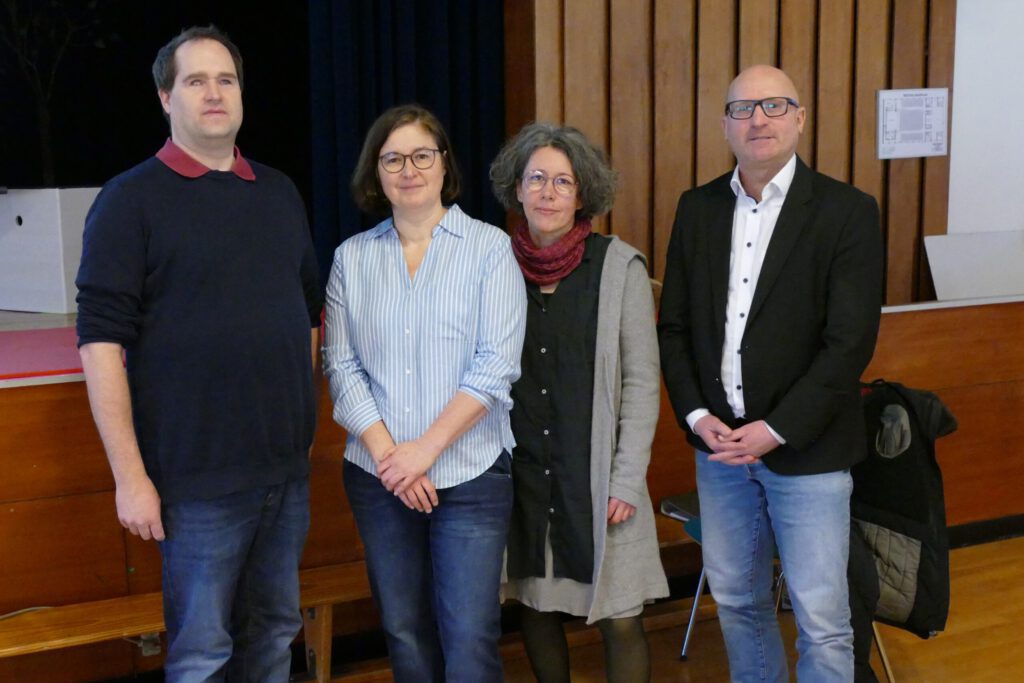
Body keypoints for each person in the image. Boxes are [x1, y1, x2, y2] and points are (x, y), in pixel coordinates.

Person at [75, 26, 321, 681]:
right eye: (196, 80)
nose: (214, 93)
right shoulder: (129, 200)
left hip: (283, 475)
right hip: (194, 484)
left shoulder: (278, 192)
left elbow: (307, 315)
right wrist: (130, 477)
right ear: (166, 98)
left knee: (273, 634)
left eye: (226, 79)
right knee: (202, 654)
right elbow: (99, 344)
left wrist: (297, 428)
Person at [657, 64, 884, 681]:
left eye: (774, 105)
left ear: (800, 118)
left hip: (807, 451)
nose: (758, 119)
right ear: (725, 125)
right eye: (743, 108)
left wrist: (775, 429)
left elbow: (849, 346)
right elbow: (674, 329)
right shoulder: (698, 208)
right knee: (737, 602)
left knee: (822, 620)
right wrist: (697, 417)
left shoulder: (847, 211)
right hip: (720, 453)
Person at [322, 104, 526, 682]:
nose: (408, 170)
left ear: (443, 165)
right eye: (393, 159)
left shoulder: (489, 249)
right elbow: (340, 365)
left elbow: (495, 367)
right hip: (378, 478)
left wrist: (424, 452)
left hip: (472, 473)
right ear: (376, 171)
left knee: (470, 633)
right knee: (404, 629)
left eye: (421, 156)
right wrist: (394, 460)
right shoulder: (351, 259)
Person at [490, 122, 669, 682]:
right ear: (517, 189)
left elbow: (642, 382)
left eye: (562, 182)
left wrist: (626, 479)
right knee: (536, 608)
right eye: (536, 179)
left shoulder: (619, 268)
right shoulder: (492, 266)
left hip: (598, 478)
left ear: (582, 193)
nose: (547, 192)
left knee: (621, 619)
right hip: (523, 474)